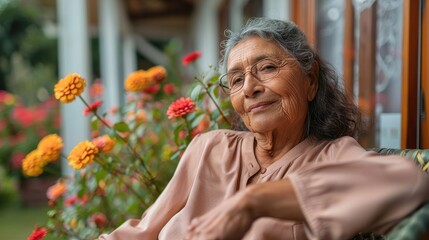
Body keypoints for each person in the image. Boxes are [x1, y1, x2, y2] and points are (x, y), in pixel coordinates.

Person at [99, 17, 429, 240]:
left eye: (267, 68)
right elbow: (143, 231)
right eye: (237, 79)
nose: (250, 88)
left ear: (310, 80)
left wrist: (254, 202)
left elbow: (412, 181)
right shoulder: (209, 148)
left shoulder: (332, 156)